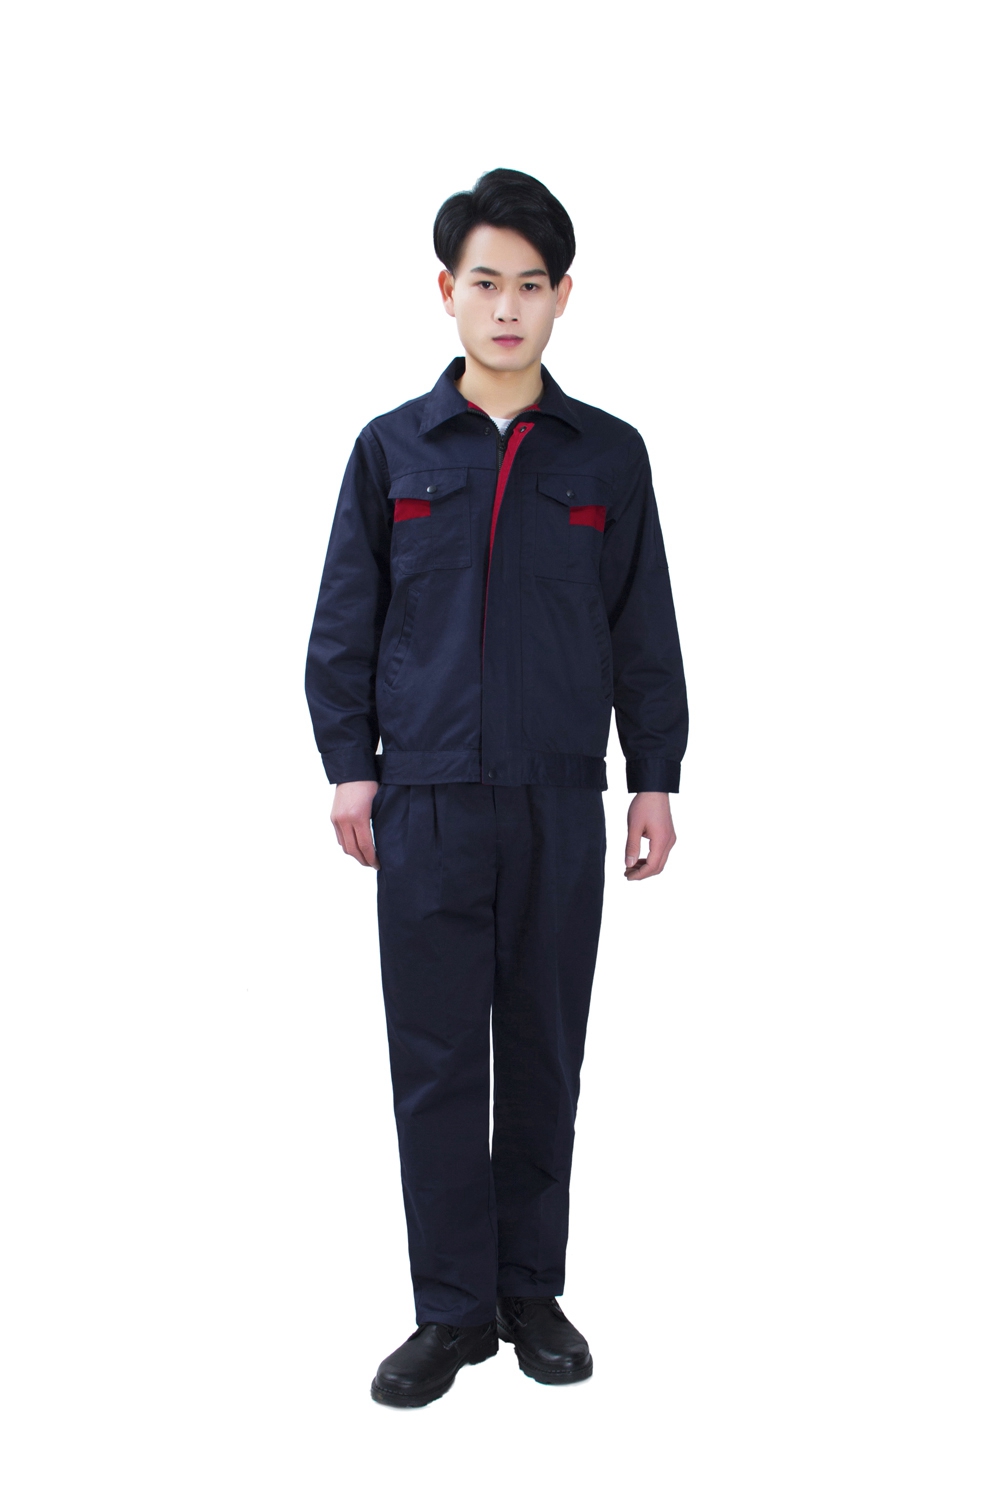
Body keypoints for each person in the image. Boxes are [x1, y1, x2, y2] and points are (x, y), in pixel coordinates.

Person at [305, 168, 688, 1407]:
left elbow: (642, 630)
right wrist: (350, 765)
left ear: (564, 296)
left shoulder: (607, 456)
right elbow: (345, 623)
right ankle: (450, 1312)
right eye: (486, 283)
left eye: (531, 284)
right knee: (432, 1062)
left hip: (556, 799)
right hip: (421, 797)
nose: (508, 307)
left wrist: (654, 778)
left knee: (540, 1053)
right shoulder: (391, 450)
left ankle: (530, 1293)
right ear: (446, 292)